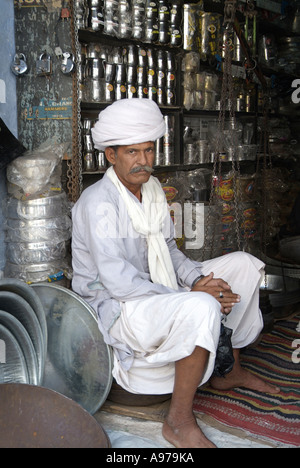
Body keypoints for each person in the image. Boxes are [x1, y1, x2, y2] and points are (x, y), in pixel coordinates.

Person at [72, 99, 280, 448]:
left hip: (156, 289)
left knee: (243, 264)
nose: (143, 161)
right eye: (132, 152)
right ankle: (179, 421)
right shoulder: (98, 204)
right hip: (119, 307)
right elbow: (120, 283)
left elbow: (168, 250)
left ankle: (230, 371)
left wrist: (198, 280)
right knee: (200, 306)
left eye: (149, 151)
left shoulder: (151, 191)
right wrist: (193, 296)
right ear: (111, 155)